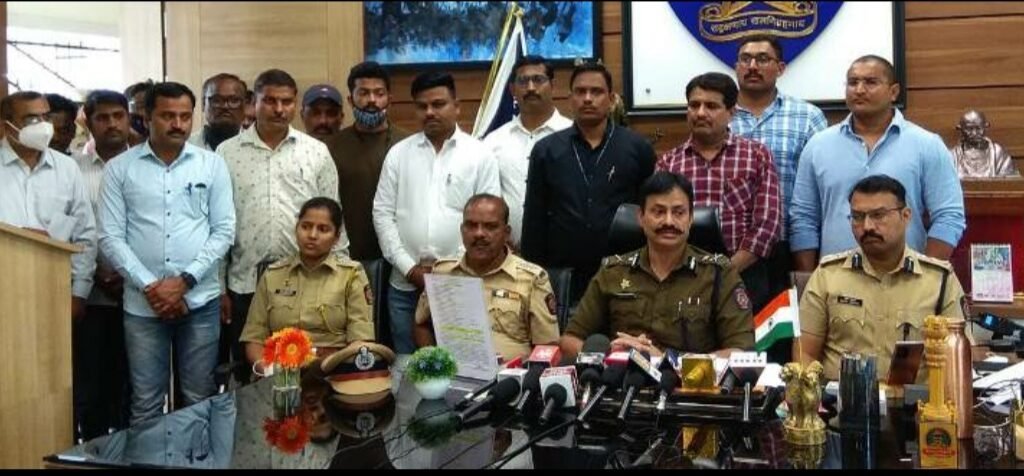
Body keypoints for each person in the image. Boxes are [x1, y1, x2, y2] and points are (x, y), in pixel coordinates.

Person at [98, 81, 235, 425]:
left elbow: (224, 230)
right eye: (167, 116)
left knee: (199, 398)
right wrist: (151, 287)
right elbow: (110, 236)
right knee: (146, 402)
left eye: (185, 116)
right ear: (146, 118)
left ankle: (197, 456)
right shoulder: (120, 168)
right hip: (143, 305)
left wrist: (184, 281)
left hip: (199, 300)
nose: (178, 124)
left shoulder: (212, 165)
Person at [217, 68, 346, 382]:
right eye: (270, 101)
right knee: (252, 374)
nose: (279, 109)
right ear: (254, 102)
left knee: (305, 370)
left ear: (295, 104)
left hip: (306, 279)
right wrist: (219, 287)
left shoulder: (315, 151)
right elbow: (219, 224)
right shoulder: (227, 153)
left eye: (286, 102)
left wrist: (340, 279)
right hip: (245, 282)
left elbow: (334, 216)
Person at [790, 55, 965, 270]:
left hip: (906, 279)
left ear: (893, 92)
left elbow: (949, 216)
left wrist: (928, 274)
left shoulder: (927, 145)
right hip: (834, 280)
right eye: (853, 82)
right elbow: (803, 219)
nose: (859, 90)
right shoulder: (818, 146)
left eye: (871, 82)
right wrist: (809, 278)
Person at [560, 172, 754, 360]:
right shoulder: (613, 272)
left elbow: (741, 352)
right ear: (641, 217)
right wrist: (610, 356)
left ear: (691, 219)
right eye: (659, 212)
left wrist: (666, 361)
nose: (669, 221)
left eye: (678, 213)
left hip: (688, 382)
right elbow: (569, 341)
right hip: (621, 378)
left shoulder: (719, 274)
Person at [373, 71, 501, 354]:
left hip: (461, 282)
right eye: (422, 106)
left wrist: (448, 270)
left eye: (438, 104)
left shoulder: (479, 155)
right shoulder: (398, 154)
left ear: (457, 106)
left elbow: (489, 221)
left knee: (462, 363)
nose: (430, 112)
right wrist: (410, 269)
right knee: (409, 366)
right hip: (405, 286)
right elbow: (382, 214)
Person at [794, 175, 968, 382]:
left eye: (878, 215)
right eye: (857, 217)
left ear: (906, 216)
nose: (867, 226)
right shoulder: (828, 275)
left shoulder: (939, 280)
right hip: (840, 399)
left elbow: (958, 358)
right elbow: (805, 353)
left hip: (915, 400)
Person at [522, 61, 656, 302]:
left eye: (596, 92)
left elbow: (649, 214)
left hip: (625, 273)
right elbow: (534, 219)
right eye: (580, 91)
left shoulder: (637, 148)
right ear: (570, 98)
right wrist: (533, 277)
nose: (587, 99)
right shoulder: (546, 150)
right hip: (562, 277)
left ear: (611, 99)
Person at [657, 72, 781, 313]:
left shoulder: (756, 156)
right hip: (683, 278)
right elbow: (659, 222)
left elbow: (767, 224)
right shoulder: (668, 164)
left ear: (731, 112)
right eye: (694, 105)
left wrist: (726, 270)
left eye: (711, 106)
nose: (700, 113)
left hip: (744, 276)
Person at [729, 34, 827, 298]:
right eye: (745, 59)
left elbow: (820, 184)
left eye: (762, 59)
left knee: (786, 321)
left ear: (781, 68)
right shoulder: (718, 115)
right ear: (736, 66)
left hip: (789, 245)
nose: (752, 66)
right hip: (731, 246)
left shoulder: (807, 117)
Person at [413, 194, 559, 362]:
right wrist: (434, 363)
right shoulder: (443, 272)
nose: (479, 234)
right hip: (452, 373)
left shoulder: (532, 279)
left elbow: (548, 346)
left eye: (490, 227)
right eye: (471, 225)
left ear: (506, 233)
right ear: (462, 230)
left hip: (511, 375)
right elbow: (421, 324)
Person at [240, 197, 374, 372]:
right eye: (306, 226)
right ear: (296, 229)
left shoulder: (351, 275)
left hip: (332, 371)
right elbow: (254, 337)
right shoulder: (273, 275)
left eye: (323, 229)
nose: (312, 235)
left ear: (336, 238)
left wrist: (330, 366)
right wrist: (268, 370)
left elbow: (360, 340)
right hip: (279, 372)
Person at [0, 91, 96, 321]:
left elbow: (85, 234)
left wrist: (79, 293)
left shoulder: (67, 168)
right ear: (6, 126)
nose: (43, 126)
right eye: (32, 119)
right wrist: (19, 239)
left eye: (46, 117)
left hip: (55, 290)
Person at [73, 89, 133, 440]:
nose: (112, 124)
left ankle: (132, 454)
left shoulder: (145, 166)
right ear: (89, 122)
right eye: (102, 117)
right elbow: (72, 228)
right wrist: (97, 272)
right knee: (92, 385)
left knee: (133, 386)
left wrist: (128, 275)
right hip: (90, 296)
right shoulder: (73, 169)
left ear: (128, 118)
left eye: (118, 116)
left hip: (138, 294)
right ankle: (92, 453)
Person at [483, 55, 572, 246]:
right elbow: (488, 197)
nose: (531, 87)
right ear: (512, 90)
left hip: (563, 250)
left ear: (553, 86)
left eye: (538, 80)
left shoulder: (573, 136)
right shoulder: (493, 142)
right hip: (509, 251)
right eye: (523, 81)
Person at [327, 61, 410, 262]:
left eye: (379, 93)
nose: (372, 100)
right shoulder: (330, 147)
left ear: (389, 99)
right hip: (349, 256)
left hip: (403, 255)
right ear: (350, 99)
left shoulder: (409, 144)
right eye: (363, 93)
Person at [950, 109, 1019, 178]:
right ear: (960, 129)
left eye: (978, 128)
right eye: (969, 129)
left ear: (985, 127)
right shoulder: (953, 156)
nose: (974, 133)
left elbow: (1009, 180)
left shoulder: (998, 153)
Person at [190, 73, 247, 152]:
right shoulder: (185, 147)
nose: (225, 106)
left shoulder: (256, 148)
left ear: (244, 105)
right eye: (217, 100)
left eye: (234, 100)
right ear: (203, 104)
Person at [125, 80, 154, 145]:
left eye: (143, 105)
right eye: (137, 105)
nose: (140, 111)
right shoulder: (132, 119)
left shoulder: (156, 119)